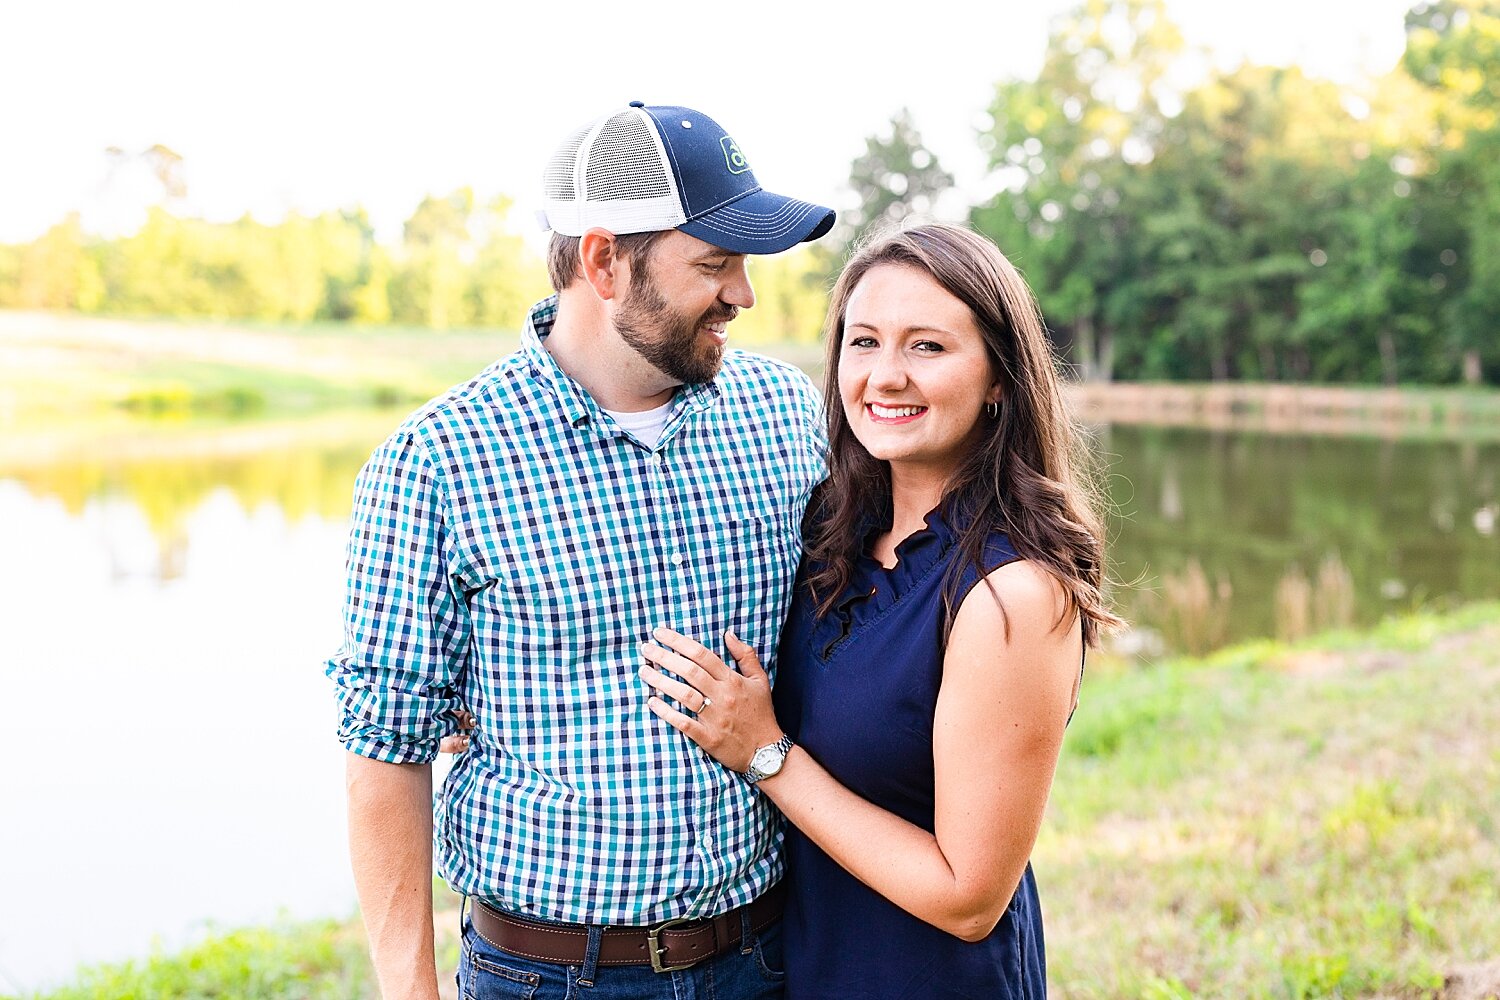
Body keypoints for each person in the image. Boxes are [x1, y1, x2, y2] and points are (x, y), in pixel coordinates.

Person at [326, 101, 834, 1000]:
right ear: (603, 261)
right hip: (551, 976)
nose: (745, 294)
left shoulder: (785, 413)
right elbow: (385, 754)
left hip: (766, 953)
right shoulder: (437, 462)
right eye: (714, 264)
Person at [639, 223, 1122, 999]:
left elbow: (969, 898)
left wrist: (766, 754)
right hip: (800, 967)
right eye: (863, 342)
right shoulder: (835, 534)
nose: (885, 376)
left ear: (999, 377)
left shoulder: (1012, 595)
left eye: (927, 347)